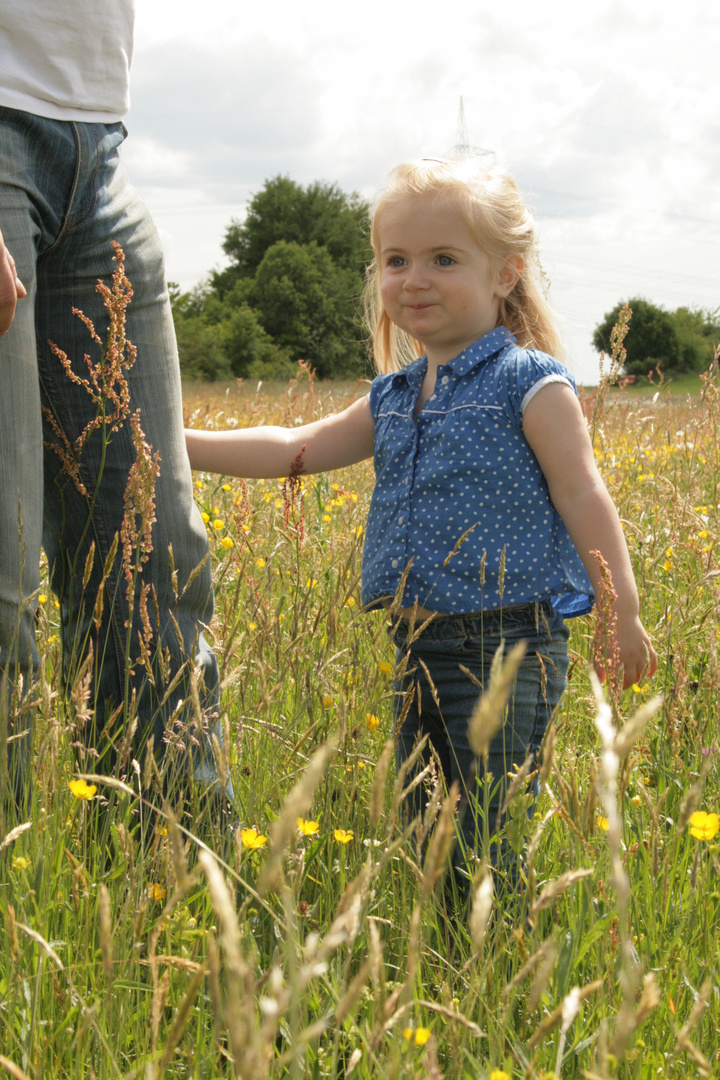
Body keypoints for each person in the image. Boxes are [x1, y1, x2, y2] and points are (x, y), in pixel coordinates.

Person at [185, 157, 657, 887]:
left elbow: (583, 494)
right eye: (396, 260)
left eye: (443, 259)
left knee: (484, 829)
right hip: (416, 643)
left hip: (507, 642)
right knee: (424, 823)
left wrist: (617, 610)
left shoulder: (530, 383)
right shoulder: (395, 394)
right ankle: (449, 958)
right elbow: (295, 450)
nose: (415, 279)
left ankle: (492, 965)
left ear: (505, 273)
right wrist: (177, 448)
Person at [0, 2, 231, 815]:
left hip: (95, 139)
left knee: (155, 572)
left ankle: (184, 911)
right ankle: (18, 925)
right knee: (3, 579)